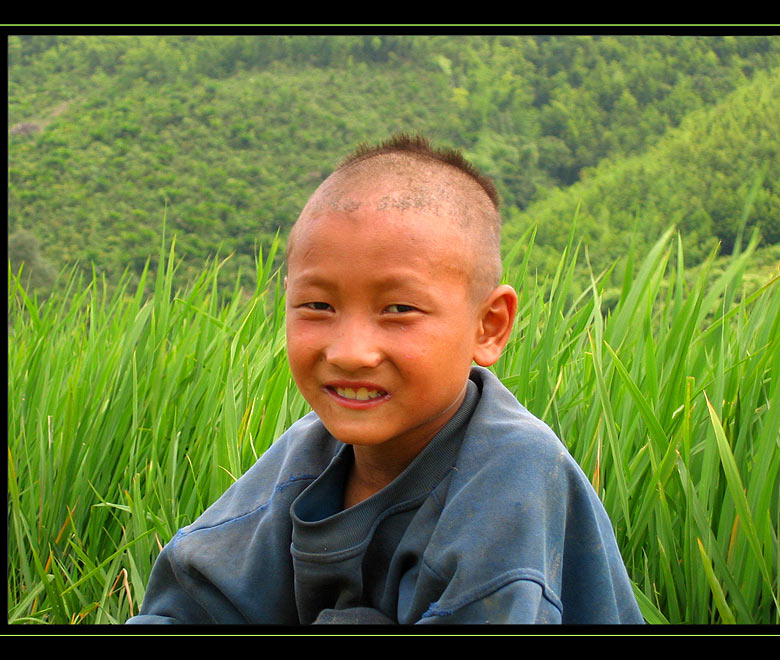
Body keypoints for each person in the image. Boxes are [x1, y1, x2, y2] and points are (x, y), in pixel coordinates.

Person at [126, 134, 644, 626]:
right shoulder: (308, 454)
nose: (350, 353)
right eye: (317, 306)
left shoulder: (514, 475)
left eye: (399, 309)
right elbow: (193, 601)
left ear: (489, 326)